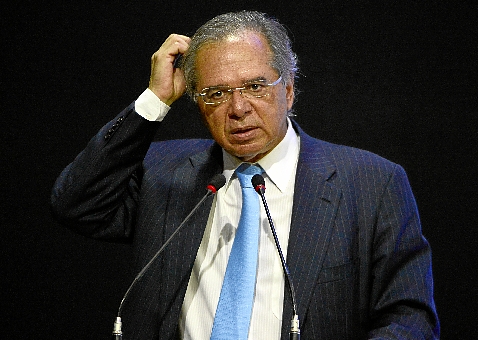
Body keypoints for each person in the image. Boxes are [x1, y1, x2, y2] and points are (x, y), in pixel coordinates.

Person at [51, 10, 440, 339]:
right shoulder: (162, 172)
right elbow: (77, 204)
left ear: (288, 89)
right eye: (216, 94)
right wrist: (155, 100)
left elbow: (408, 318)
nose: (238, 108)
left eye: (255, 86)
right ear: (197, 102)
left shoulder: (372, 183)